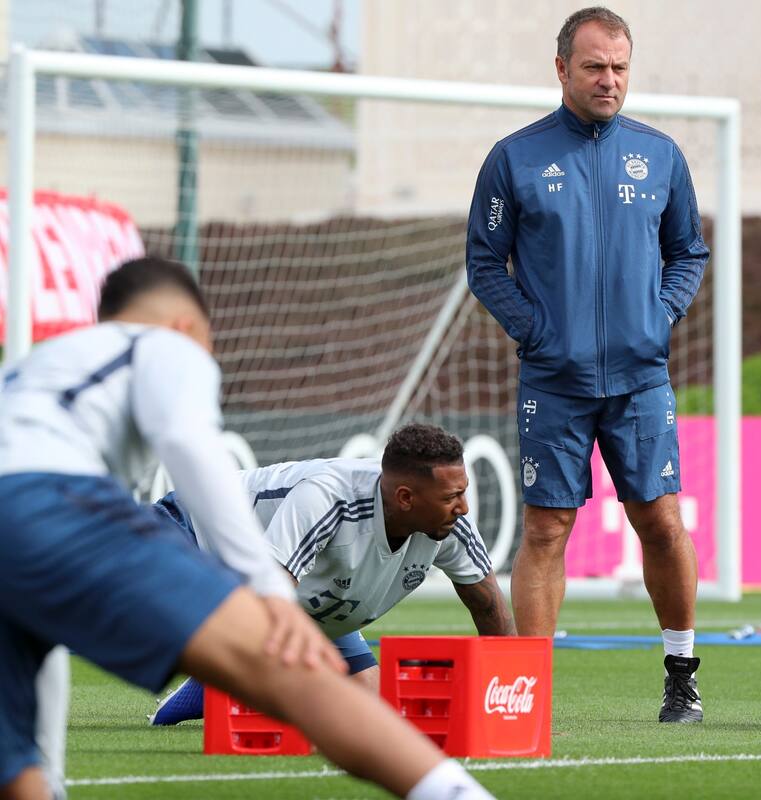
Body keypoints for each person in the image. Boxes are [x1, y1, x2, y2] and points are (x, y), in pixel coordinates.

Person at [0, 257, 493, 799]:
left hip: (22, 536)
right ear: (187, 325)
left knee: (16, 754)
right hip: (50, 502)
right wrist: (266, 591)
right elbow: (192, 449)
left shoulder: (34, 367)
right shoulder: (166, 345)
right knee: (292, 670)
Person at [466, 6, 709, 724]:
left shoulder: (660, 155)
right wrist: (533, 329)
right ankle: (531, 691)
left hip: (640, 379)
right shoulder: (514, 158)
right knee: (546, 530)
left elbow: (688, 251)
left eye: (620, 67)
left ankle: (681, 675)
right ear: (562, 68)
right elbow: (485, 261)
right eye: (595, 66)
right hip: (553, 380)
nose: (609, 79)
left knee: (659, 520)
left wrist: (658, 316)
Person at [147, 424, 516, 725]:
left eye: (463, 493)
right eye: (451, 497)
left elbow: (489, 610)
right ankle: (216, 669)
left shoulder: (451, 525)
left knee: (372, 709)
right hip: (196, 532)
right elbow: (266, 597)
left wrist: (512, 697)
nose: (463, 507)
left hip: (306, 600)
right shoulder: (327, 498)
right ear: (406, 498)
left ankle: (212, 683)